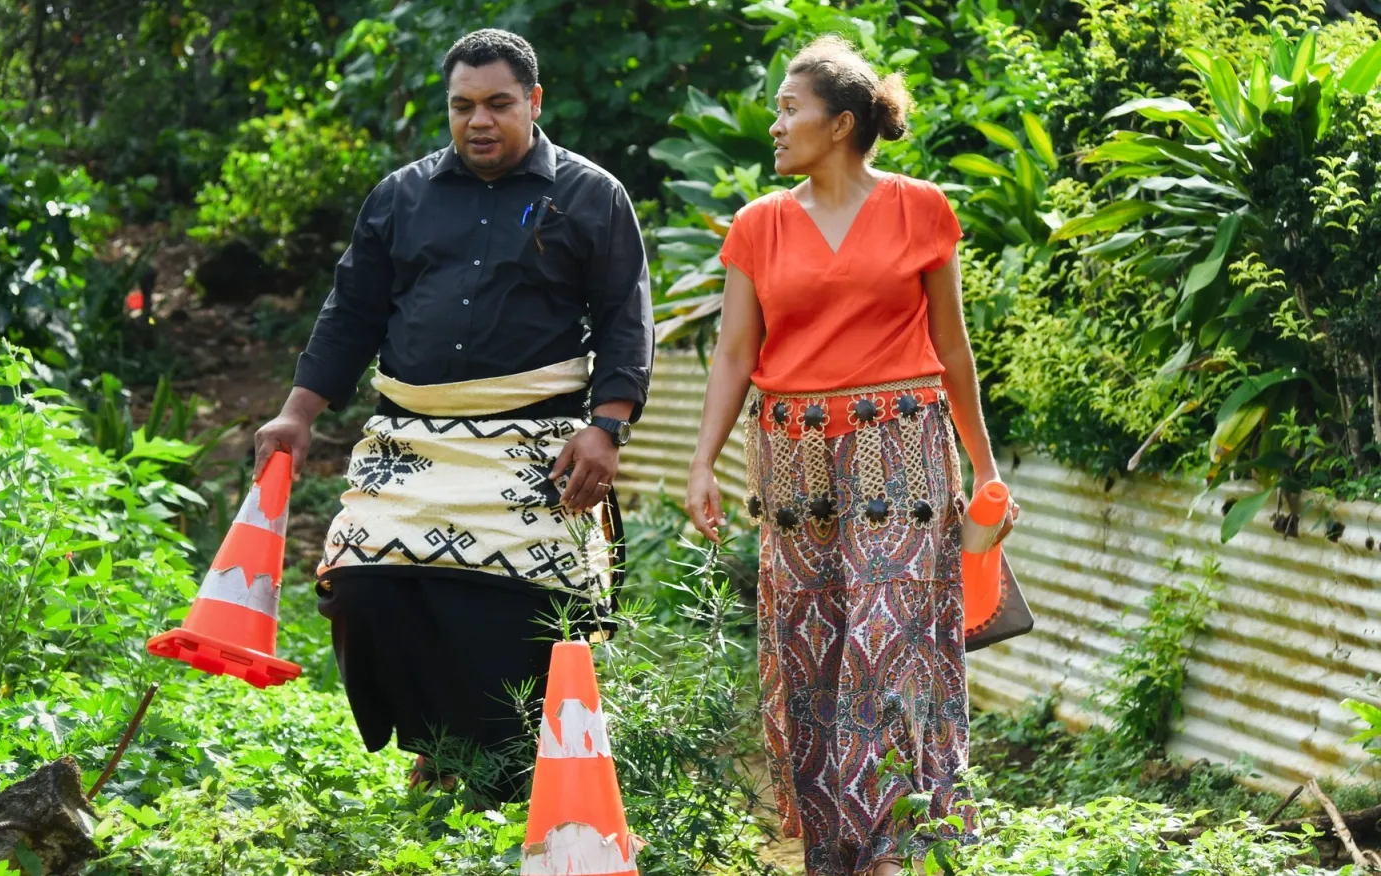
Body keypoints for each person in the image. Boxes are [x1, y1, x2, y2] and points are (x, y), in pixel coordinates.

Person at [252, 28, 652, 803]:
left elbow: (625, 320)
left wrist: (606, 428)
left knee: (518, 617)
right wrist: (297, 414)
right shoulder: (400, 196)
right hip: (411, 440)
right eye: (462, 106)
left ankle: (497, 777)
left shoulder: (591, 193)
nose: (479, 121)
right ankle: (434, 741)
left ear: (534, 102)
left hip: (537, 443)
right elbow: (352, 313)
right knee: (364, 590)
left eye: (499, 104)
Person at [683, 35, 1018, 876]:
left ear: (839, 125)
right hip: (792, 459)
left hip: (901, 448)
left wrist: (983, 466)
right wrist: (701, 465)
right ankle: (832, 850)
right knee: (814, 645)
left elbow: (953, 346)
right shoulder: (757, 227)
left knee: (892, 638)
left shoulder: (921, 208)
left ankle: (901, 845)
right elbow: (732, 355)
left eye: (789, 107)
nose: (775, 123)